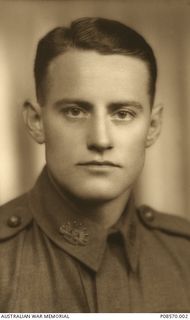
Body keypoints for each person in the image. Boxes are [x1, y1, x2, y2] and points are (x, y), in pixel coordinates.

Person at [0, 17, 190, 313]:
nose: (100, 140)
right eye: (75, 111)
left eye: (123, 114)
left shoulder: (184, 254)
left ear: (152, 127)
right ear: (36, 122)